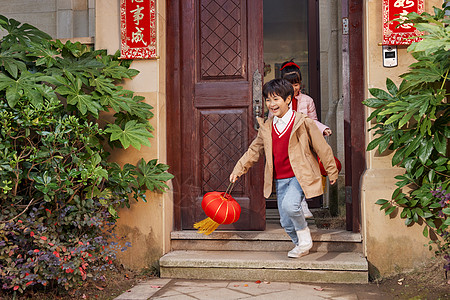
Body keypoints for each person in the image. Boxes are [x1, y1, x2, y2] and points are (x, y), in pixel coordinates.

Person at [229, 79, 338, 258]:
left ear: (288, 99)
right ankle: (301, 245)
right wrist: (238, 170)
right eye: (268, 100)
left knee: (290, 206)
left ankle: (305, 240)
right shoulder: (267, 128)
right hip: (280, 179)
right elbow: (254, 151)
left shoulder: (303, 122)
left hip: (299, 175)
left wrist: (331, 170)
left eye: (276, 99)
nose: (271, 104)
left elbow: (322, 148)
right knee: (285, 222)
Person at [280, 61, 332, 136]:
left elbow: (312, 121)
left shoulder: (307, 100)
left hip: (303, 138)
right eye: (289, 85)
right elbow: (272, 121)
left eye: (296, 85)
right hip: (284, 138)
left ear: (300, 83)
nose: (293, 88)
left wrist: (323, 129)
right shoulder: (278, 100)